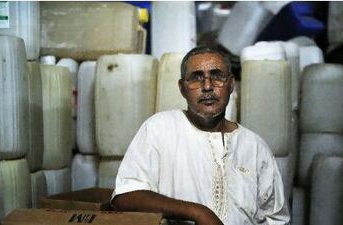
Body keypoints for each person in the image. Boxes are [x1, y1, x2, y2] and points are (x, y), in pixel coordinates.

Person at [111, 46, 290, 225]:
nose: (207, 86)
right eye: (196, 78)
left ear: (231, 84)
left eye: (217, 76)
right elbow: (125, 196)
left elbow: (276, 218)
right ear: (182, 88)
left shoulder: (254, 146)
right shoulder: (160, 128)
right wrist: (198, 212)